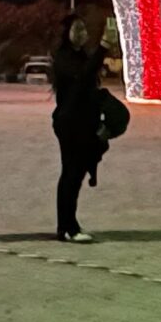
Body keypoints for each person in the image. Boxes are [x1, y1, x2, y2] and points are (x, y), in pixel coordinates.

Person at [48, 13, 110, 242]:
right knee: (71, 174)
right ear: (67, 33)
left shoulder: (81, 55)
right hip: (70, 123)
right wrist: (103, 48)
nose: (82, 33)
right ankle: (67, 228)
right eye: (77, 29)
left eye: (84, 29)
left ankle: (69, 224)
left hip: (83, 123)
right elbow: (82, 77)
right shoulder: (64, 57)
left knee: (76, 175)